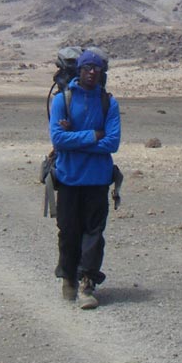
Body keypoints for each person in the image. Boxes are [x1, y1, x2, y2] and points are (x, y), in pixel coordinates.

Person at [48, 48, 120, 310]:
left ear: (101, 72)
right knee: (68, 231)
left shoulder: (108, 102)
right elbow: (57, 140)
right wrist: (93, 136)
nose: (92, 72)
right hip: (69, 177)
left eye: (96, 68)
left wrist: (75, 140)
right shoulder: (62, 101)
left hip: (98, 179)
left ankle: (87, 282)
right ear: (78, 70)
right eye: (87, 68)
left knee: (94, 233)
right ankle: (68, 277)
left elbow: (112, 142)